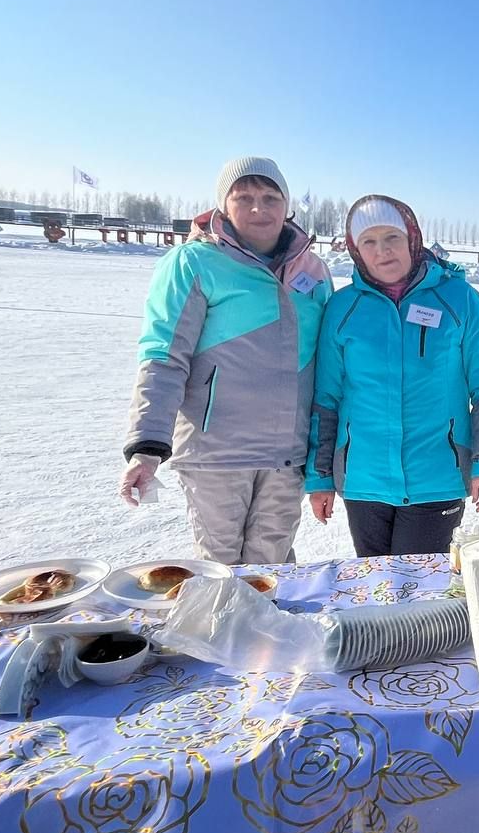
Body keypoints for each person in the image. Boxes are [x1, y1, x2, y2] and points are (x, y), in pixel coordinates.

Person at [119, 157, 333, 564]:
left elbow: (327, 366)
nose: (259, 208)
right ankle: (216, 631)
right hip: (215, 453)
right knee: (219, 569)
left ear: (286, 205)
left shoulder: (314, 269)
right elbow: (164, 357)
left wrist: (325, 451)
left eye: (271, 197)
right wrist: (146, 446)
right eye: (244, 197)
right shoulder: (194, 263)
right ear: (223, 205)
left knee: (272, 567)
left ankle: (270, 630)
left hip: (286, 453)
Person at [305, 195, 479, 556]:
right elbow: (326, 400)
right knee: (374, 592)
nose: (382, 251)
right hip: (364, 482)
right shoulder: (343, 308)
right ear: (355, 250)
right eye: (369, 241)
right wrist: (320, 476)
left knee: (420, 599)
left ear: (412, 238)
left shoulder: (459, 299)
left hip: (437, 478)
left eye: (392, 238)